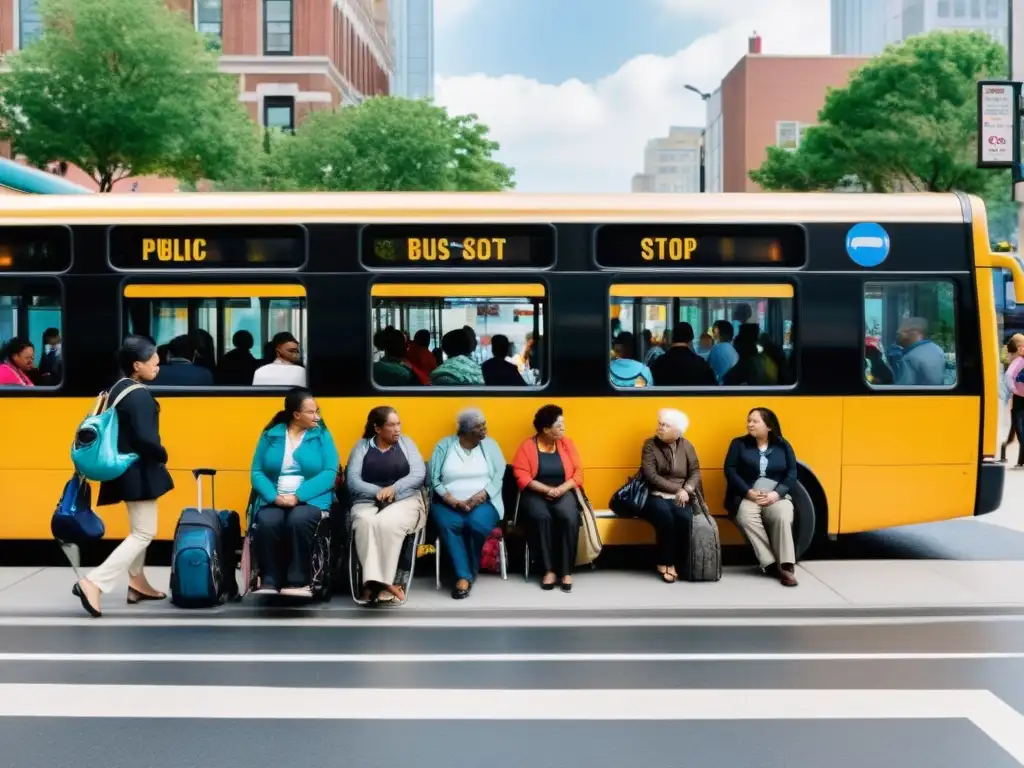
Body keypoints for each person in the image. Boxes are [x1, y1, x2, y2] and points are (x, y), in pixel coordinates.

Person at [72, 336, 173, 617]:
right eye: (153, 361)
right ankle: (94, 583)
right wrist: (162, 453)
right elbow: (144, 438)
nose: (158, 365)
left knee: (138, 529)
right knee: (144, 532)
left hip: (126, 471)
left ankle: (137, 583)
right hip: (138, 471)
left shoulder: (119, 388)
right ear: (137, 365)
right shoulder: (139, 394)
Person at [250, 388, 339, 597]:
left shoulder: (322, 435)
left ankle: (299, 579)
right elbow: (256, 472)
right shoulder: (270, 435)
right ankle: (270, 579)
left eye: (317, 411)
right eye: (311, 412)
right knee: (267, 521)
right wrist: (274, 498)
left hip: (312, 499)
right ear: (296, 415)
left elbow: (329, 473)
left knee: (298, 520)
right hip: (275, 497)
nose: (317, 416)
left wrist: (297, 497)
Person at [347, 406, 427, 604]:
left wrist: (394, 488)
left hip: (405, 499)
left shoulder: (407, 444)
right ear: (377, 428)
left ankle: (375, 584)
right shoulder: (362, 447)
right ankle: (385, 584)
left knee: (387, 522)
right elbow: (353, 481)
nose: (397, 429)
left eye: (398, 423)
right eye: (391, 425)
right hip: (367, 500)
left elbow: (418, 474)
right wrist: (378, 492)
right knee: (364, 522)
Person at [428, 408, 506, 599]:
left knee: (475, 525)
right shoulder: (444, 446)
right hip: (447, 503)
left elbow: (499, 474)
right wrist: (452, 500)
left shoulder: (490, 445)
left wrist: (482, 495)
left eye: (484, 425)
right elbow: (433, 479)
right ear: (466, 431)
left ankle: (466, 574)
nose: (484, 430)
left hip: (484, 503)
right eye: (479, 427)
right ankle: (464, 577)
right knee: (449, 525)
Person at [724, 407, 800, 587]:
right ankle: (770, 562)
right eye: (748, 421)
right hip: (749, 495)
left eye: (755, 421)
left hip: (774, 495)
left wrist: (776, 494)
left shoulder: (783, 445)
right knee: (745, 516)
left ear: (769, 426)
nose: (750, 424)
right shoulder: (738, 444)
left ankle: (787, 566)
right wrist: (747, 492)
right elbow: (730, 470)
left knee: (783, 514)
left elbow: (792, 473)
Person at [511, 405, 583, 592]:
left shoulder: (567, 444)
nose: (563, 428)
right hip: (536, 493)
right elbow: (521, 475)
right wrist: (546, 490)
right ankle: (548, 570)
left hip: (563, 490)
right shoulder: (527, 446)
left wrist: (561, 489)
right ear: (546, 429)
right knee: (541, 517)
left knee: (569, 517)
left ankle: (566, 571)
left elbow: (578, 474)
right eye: (559, 425)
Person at [639, 408, 701, 583]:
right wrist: (678, 490)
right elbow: (651, 476)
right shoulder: (650, 445)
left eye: (665, 425)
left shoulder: (687, 445)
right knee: (665, 516)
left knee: (683, 517)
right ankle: (665, 562)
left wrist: (687, 489)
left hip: (682, 494)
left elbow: (695, 471)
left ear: (677, 431)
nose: (660, 428)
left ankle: (680, 563)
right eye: (660, 424)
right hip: (655, 494)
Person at [650, 322, 715, 386]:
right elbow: (713, 387)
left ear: (672, 338)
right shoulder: (700, 363)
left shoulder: (659, 362)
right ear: (691, 339)